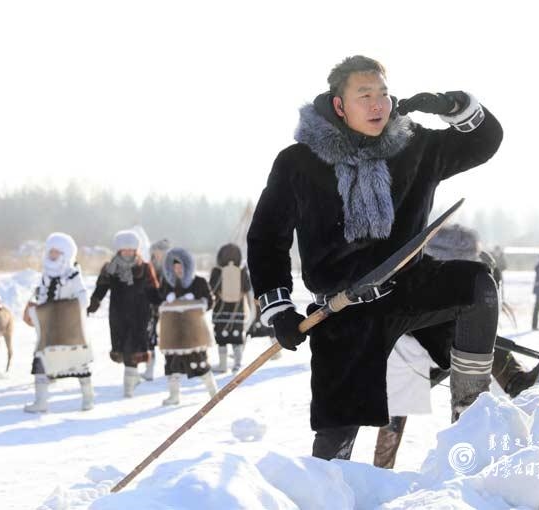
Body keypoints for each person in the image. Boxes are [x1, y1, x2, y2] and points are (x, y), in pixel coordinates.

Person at [247, 55, 504, 460]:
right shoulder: (298, 163)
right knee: (333, 450)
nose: (378, 105)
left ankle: (469, 412)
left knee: (476, 285)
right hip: (343, 309)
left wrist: (452, 105)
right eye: (364, 95)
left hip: (410, 286)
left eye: (383, 93)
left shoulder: (414, 146)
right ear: (339, 105)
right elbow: (266, 240)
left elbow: (484, 142)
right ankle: (328, 486)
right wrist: (279, 310)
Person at [373, 224, 539, 468]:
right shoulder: (418, 277)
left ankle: (515, 382)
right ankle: (382, 470)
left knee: (482, 356)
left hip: (454, 351)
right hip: (411, 354)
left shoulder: (475, 278)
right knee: (398, 406)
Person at [24, 233, 94, 412]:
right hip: (49, 327)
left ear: (66, 254)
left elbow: (84, 299)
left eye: (57, 252)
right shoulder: (46, 275)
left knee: (78, 362)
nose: (53, 255)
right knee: (41, 360)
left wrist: (66, 308)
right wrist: (37, 307)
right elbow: (42, 297)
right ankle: (41, 402)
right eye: (51, 251)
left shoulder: (73, 275)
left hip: (69, 328)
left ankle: (88, 397)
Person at [87, 230, 157, 397]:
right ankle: (133, 378)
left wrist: (160, 304)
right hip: (118, 315)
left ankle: (128, 389)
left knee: (132, 349)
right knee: (123, 348)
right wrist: (92, 304)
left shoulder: (144, 268)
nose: (127, 253)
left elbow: (153, 290)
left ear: (136, 250)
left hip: (140, 315)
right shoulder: (110, 268)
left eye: (130, 249)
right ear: (118, 250)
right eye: (124, 250)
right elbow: (101, 289)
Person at [150, 247, 218, 405]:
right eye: (174, 266)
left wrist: (194, 302)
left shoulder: (199, 282)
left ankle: (214, 393)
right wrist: (164, 301)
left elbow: (209, 301)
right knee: (172, 364)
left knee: (200, 363)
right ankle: (174, 396)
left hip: (193, 332)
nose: (178, 269)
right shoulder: (167, 283)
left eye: (180, 265)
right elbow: (159, 301)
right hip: (172, 332)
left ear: (187, 265)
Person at [209, 243, 255, 373]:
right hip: (238, 312)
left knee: (221, 339)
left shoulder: (217, 271)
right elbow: (247, 290)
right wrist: (252, 310)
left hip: (220, 312)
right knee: (237, 338)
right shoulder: (242, 271)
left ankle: (223, 365)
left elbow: (211, 290)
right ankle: (237, 364)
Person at [142, 238, 171, 381]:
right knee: (150, 339)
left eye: (161, 252)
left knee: (169, 338)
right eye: (156, 251)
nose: (158, 254)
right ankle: (149, 370)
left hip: (168, 309)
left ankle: (172, 368)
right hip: (151, 309)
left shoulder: (171, 268)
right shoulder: (149, 267)